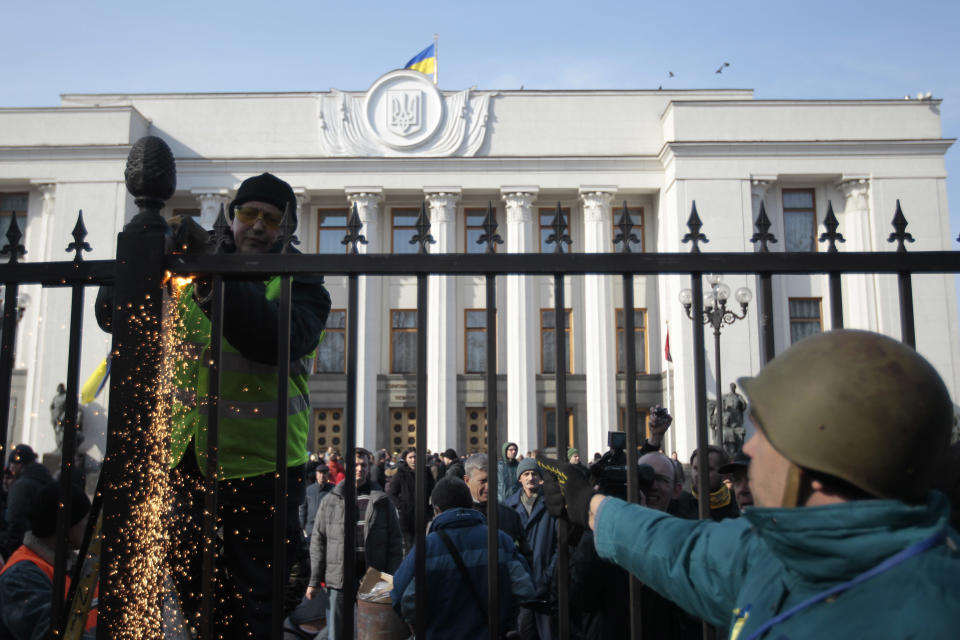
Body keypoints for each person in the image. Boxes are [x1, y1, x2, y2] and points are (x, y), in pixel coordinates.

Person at [540, 330, 960, 639]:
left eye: (761, 433)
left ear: (814, 458)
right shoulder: (775, 549)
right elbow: (676, 549)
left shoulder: (933, 614)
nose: (750, 451)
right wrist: (591, 505)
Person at [101, 172, 332, 639]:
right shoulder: (196, 270)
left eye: (272, 218)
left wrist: (213, 276)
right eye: (249, 214)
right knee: (189, 580)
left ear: (288, 228)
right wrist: (148, 256)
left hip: (263, 468)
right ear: (233, 217)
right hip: (187, 459)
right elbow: (115, 315)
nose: (258, 226)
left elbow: (270, 338)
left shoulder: (301, 283)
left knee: (259, 593)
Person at [390, 477, 535, 640]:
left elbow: (402, 600)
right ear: (469, 504)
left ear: (437, 510)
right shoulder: (500, 540)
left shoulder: (427, 547)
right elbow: (525, 589)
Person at [308, 448, 402, 640]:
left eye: (364, 465)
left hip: (375, 576)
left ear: (369, 467)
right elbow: (319, 540)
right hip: (339, 575)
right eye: (355, 465)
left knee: (376, 632)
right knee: (338, 631)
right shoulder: (331, 500)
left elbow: (394, 541)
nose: (359, 469)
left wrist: (392, 577)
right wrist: (314, 580)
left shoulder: (382, 501)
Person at [0, 480, 95, 639]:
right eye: (85, 519)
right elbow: (53, 634)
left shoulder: (71, 565)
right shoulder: (19, 578)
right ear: (65, 526)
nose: (90, 525)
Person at [504, 458, 557, 640]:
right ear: (519, 478)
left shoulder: (552, 505)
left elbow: (560, 544)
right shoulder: (509, 507)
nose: (530, 478)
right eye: (526, 474)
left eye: (534, 474)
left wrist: (549, 575)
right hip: (521, 587)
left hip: (546, 583)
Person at [463, 453, 531, 564]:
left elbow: (524, 556)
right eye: (483, 481)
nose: (488, 486)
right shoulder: (458, 517)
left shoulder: (510, 515)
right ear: (467, 481)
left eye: (492, 480)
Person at [0, 445, 53, 559]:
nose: (10, 469)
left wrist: (6, 551)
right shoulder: (44, 479)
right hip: (44, 549)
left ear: (18, 464)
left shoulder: (21, 486)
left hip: (23, 550)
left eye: (11, 465)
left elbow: (15, 524)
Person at [386, 447, 436, 552]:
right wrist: (402, 506)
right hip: (407, 516)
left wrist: (430, 507)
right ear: (406, 459)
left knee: (421, 544)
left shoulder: (426, 471)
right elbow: (392, 493)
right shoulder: (401, 473)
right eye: (410, 457)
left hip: (423, 514)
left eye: (415, 457)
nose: (413, 460)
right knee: (410, 546)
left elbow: (433, 490)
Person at [300, 462, 334, 544]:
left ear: (328, 474)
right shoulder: (309, 490)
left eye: (324, 473)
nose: (322, 476)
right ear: (316, 474)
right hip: (311, 530)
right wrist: (301, 527)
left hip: (328, 530)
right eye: (320, 473)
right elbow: (302, 509)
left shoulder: (334, 490)